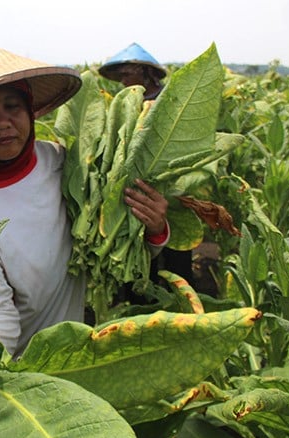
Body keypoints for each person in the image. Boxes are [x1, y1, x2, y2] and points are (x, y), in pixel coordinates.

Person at [0, 41, 170, 372]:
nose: (3, 122)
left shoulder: (66, 164)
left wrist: (153, 228)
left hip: (76, 355)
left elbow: (115, 241)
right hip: (12, 370)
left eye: (12, 107)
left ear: (30, 111)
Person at [98, 43, 195, 288]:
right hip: (137, 192)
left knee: (177, 260)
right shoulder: (127, 103)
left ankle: (183, 307)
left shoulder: (168, 101)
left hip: (171, 189)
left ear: (143, 72)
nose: (122, 82)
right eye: (119, 76)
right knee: (143, 258)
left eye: (126, 75)